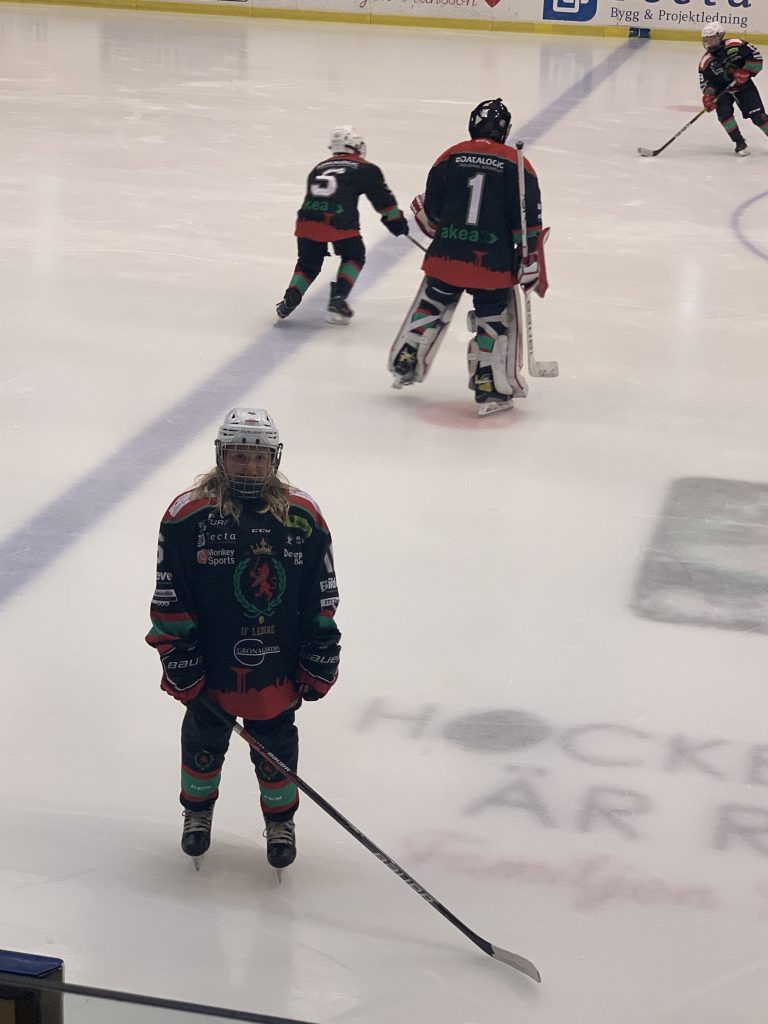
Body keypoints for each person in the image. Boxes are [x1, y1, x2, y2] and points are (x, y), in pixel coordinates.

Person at [145, 407, 341, 872]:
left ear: (273, 458)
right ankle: (197, 813)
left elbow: (321, 588)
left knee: (276, 746)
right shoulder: (188, 515)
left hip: (277, 659)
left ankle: (280, 821)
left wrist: (321, 648)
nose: (249, 467)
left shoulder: (302, 516)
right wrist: (177, 651)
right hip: (211, 659)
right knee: (202, 741)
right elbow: (170, 587)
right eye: (239, 456)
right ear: (221, 456)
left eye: (257, 457)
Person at [388, 98, 549, 417]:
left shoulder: (450, 155)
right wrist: (529, 259)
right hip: (493, 264)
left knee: (433, 301)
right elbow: (528, 225)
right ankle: (489, 384)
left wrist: (425, 212)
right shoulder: (518, 164)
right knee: (494, 317)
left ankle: (407, 357)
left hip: (446, 256)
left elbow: (432, 214)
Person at [275, 126, 409, 325]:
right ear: (355, 145)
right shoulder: (365, 168)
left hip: (306, 221)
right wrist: (396, 221)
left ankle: (291, 296)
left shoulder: (319, 167)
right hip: (338, 221)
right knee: (354, 255)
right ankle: (338, 298)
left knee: (308, 264)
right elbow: (384, 201)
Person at [699, 21, 767, 157]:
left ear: (720, 36)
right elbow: (707, 82)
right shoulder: (706, 61)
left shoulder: (736, 45)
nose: (709, 42)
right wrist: (709, 96)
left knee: (759, 117)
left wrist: (746, 71)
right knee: (724, 115)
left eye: (711, 38)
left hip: (743, 85)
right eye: (706, 39)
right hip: (722, 89)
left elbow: (757, 59)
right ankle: (739, 142)